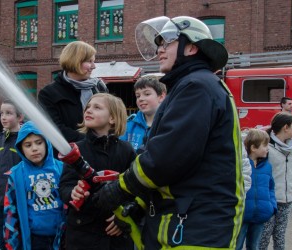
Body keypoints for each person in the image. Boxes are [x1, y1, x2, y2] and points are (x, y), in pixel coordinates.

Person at [91, 16, 245, 248]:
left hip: (197, 227)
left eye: (167, 42)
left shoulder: (196, 87)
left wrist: (120, 189)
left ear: (191, 47)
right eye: (158, 43)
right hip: (186, 221)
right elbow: (170, 165)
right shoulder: (191, 86)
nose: (159, 49)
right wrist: (139, 205)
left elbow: (166, 158)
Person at [59, 93, 136, 250]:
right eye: (88, 107)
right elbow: (65, 185)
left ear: (112, 119)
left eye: (97, 107)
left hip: (117, 237)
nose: (88, 110)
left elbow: (136, 190)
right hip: (83, 234)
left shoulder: (126, 150)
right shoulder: (76, 150)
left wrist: (124, 217)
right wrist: (73, 193)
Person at [4, 121, 66, 250]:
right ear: (21, 148)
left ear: (46, 143)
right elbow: (10, 210)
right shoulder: (16, 175)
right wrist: (11, 243)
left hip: (62, 237)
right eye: (28, 145)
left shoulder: (62, 168)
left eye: (39, 142)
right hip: (34, 239)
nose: (34, 148)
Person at [38, 41, 108, 151]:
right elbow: (54, 129)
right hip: (68, 157)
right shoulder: (48, 93)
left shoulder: (99, 88)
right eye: (89, 61)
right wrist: (90, 141)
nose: (94, 66)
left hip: (102, 151)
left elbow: (111, 119)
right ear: (75, 61)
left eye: (93, 61)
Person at [259, 112, 292, 250]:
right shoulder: (266, 147)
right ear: (286, 127)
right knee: (264, 236)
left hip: (287, 200)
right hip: (269, 200)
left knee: (280, 235)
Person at [236, 129, 277, 250]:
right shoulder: (242, 165)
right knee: (236, 246)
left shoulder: (267, 166)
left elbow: (271, 188)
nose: (267, 148)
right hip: (242, 215)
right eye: (265, 145)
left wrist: (272, 206)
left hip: (261, 215)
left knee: (254, 246)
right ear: (253, 147)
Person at [0, 99, 23, 250]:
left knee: (17, 235)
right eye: (2, 113)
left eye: (9, 113)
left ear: (20, 117)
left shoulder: (24, 140)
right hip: (0, 197)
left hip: (17, 198)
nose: (3, 117)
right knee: (1, 234)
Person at [120, 75, 166, 153]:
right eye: (138, 96)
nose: (141, 99)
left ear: (161, 97)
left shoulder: (170, 124)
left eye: (147, 94)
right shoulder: (128, 125)